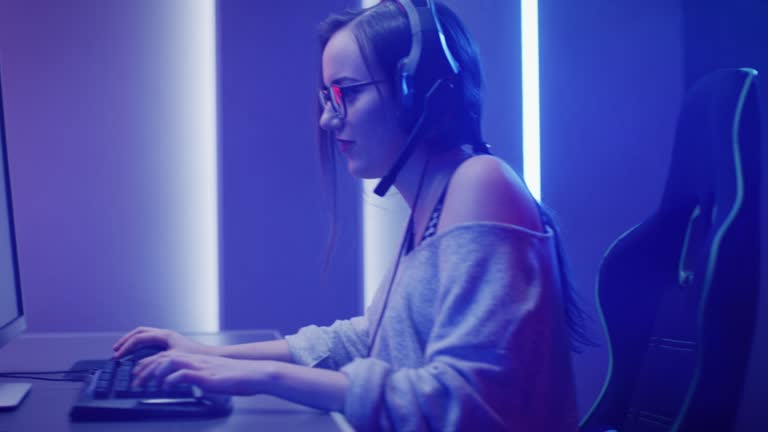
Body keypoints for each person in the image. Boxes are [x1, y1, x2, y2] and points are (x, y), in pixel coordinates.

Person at [113, 1, 589, 430]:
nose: (327, 119)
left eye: (347, 93)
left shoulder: (482, 183)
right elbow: (370, 340)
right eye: (327, 96)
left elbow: (462, 403)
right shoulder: (435, 202)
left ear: (416, 92)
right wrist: (211, 357)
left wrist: (261, 376)